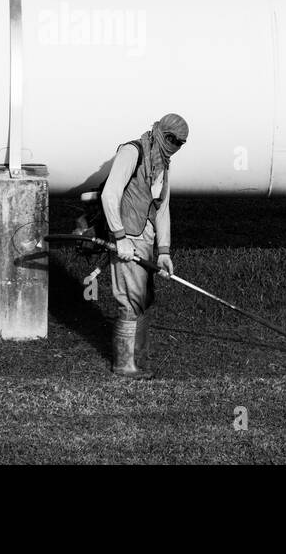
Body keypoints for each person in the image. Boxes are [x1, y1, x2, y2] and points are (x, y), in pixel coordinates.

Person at [100, 113, 189, 379]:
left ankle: (139, 360)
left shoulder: (164, 163)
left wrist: (164, 252)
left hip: (147, 240)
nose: (175, 145)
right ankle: (124, 365)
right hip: (127, 239)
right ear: (160, 131)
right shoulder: (132, 152)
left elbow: (163, 209)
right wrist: (119, 237)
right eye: (171, 139)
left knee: (145, 300)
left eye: (181, 143)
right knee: (129, 300)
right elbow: (110, 194)